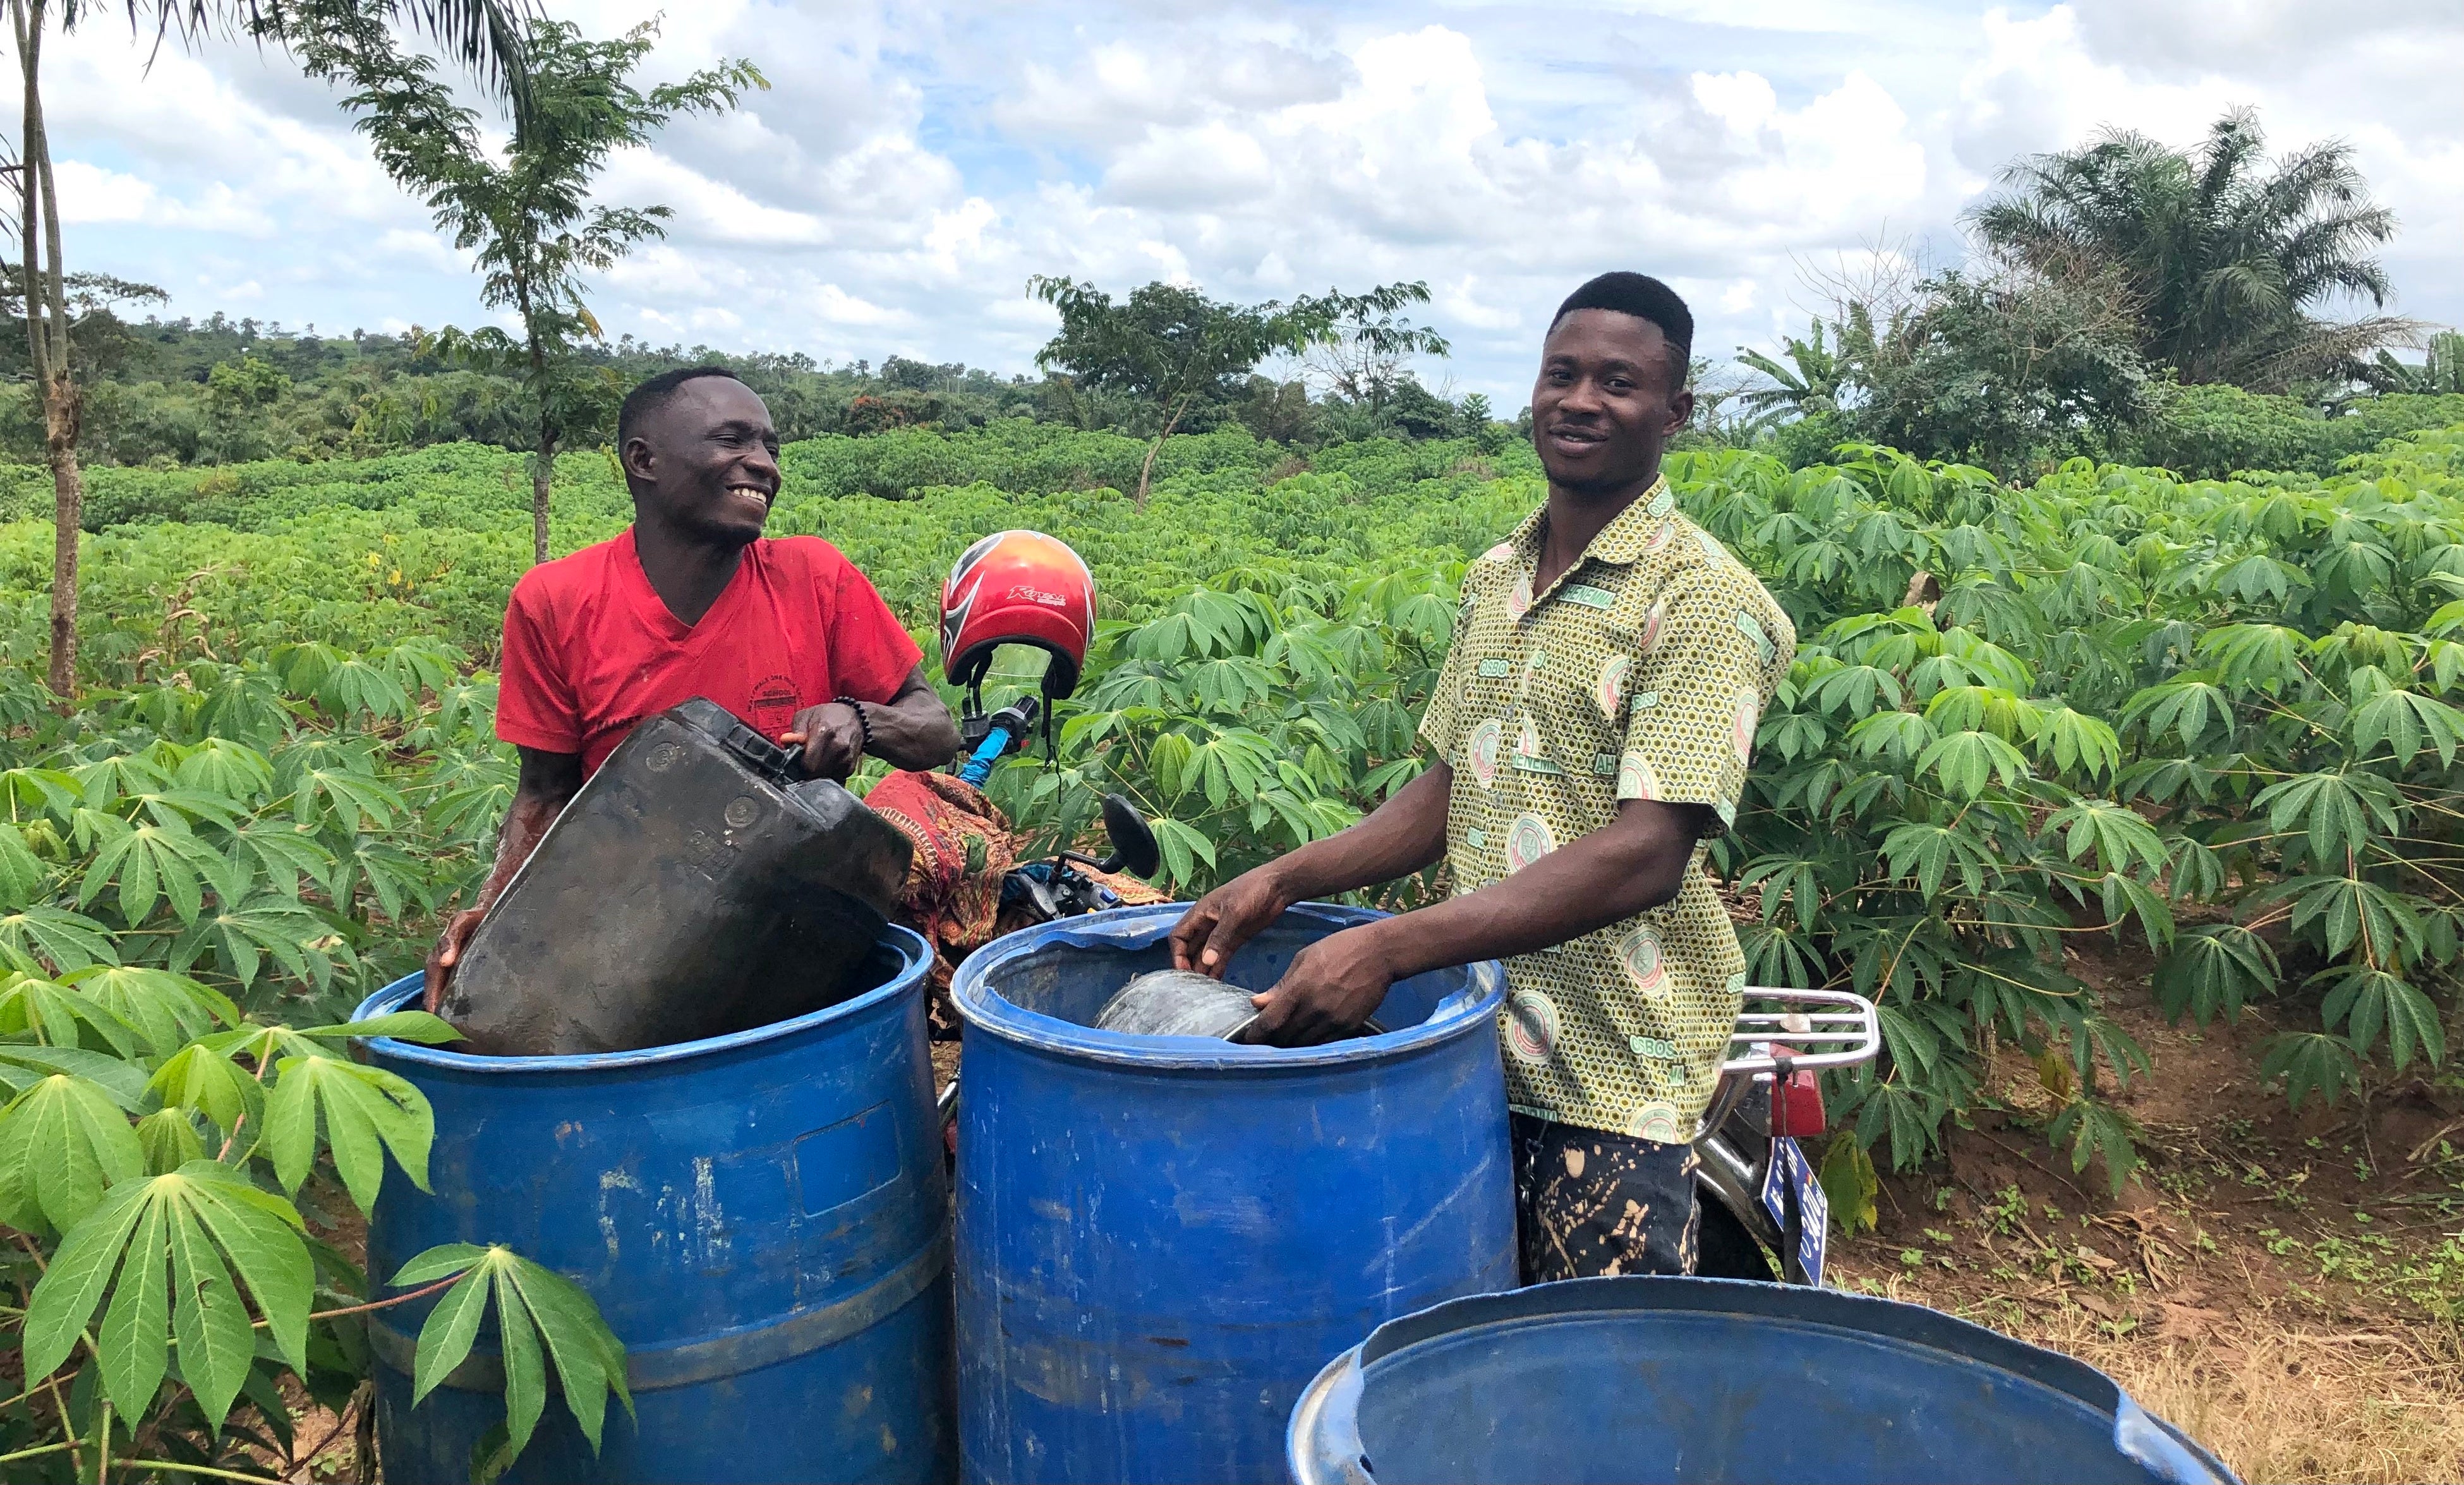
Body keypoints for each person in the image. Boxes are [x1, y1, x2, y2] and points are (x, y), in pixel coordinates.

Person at [1168, 273, 1796, 1281]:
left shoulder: (1702, 595)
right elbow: (1453, 788)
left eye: (1620, 382)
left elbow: (1648, 853)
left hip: (1615, 1075)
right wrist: (1281, 879)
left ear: (1676, 411)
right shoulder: (1496, 576)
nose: (1581, 399)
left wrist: (1389, 945)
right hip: (1476, 1048)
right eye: (1564, 373)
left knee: (1591, 1384)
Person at [423, 366, 961, 1008]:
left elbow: (936, 727)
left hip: (789, 931)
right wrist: (496, 914)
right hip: (621, 947)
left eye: (770, 447)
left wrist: (859, 719)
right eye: (733, 440)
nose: (762, 464)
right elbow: (542, 795)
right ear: (643, 460)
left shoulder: (815, 577)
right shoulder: (558, 602)